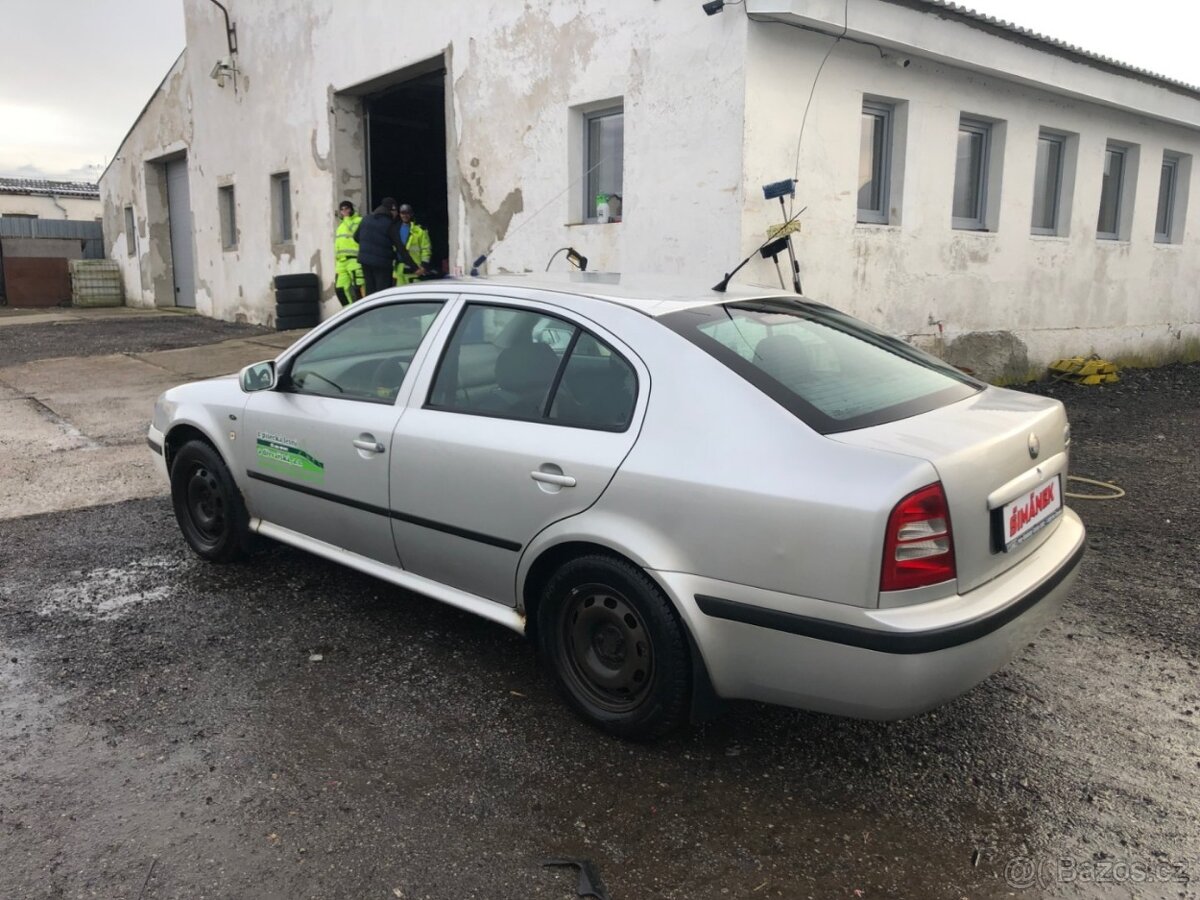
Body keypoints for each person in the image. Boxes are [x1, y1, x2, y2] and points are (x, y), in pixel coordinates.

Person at [354, 197, 401, 296]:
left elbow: (356, 237)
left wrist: (369, 246)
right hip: (382, 262)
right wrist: (415, 267)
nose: (397, 214)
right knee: (383, 292)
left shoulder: (366, 218)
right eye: (396, 211)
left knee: (370, 290)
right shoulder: (390, 224)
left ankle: (370, 306)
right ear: (391, 210)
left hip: (365, 260)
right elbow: (400, 247)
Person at [393, 203, 433, 285]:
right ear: (399, 214)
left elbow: (426, 249)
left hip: (415, 270)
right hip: (399, 269)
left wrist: (424, 266)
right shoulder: (395, 229)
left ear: (411, 214)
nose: (405, 215)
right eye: (403, 213)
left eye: (407, 213)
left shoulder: (419, 231)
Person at [333, 200, 364, 306]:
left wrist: (347, 218)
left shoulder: (358, 221)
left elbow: (355, 231)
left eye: (347, 208)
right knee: (340, 289)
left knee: (359, 288)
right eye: (342, 209)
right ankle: (348, 310)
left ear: (351, 209)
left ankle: (364, 310)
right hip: (342, 262)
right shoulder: (341, 226)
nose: (344, 211)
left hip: (354, 260)